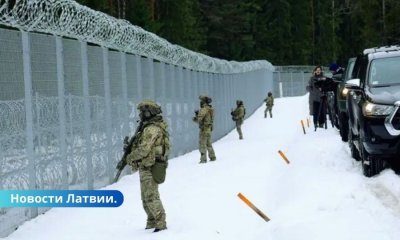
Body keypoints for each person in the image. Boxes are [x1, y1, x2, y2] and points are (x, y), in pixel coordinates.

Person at [126, 100, 170, 233]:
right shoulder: (148, 127)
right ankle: (151, 220)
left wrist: (130, 157)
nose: (140, 114)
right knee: (145, 197)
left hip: (151, 166)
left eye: (142, 112)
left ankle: (160, 222)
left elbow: (144, 150)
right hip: (146, 165)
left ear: (148, 112)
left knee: (151, 196)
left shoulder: (152, 129)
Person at [192, 95, 216, 163]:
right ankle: (212, 157)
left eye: (201, 101)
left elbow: (199, 119)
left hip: (204, 129)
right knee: (208, 143)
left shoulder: (204, 109)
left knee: (202, 144)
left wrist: (195, 117)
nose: (200, 102)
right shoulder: (210, 109)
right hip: (209, 128)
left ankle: (203, 159)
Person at [307, 65, 327, 130]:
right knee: (315, 111)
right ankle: (315, 123)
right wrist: (312, 91)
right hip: (315, 98)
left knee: (322, 111)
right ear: (315, 71)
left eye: (319, 70)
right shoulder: (312, 78)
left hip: (322, 97)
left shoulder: (324, 78)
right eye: (317, 70)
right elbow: (308, 87)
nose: (318, 71)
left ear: (321, 71)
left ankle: (321, 124)